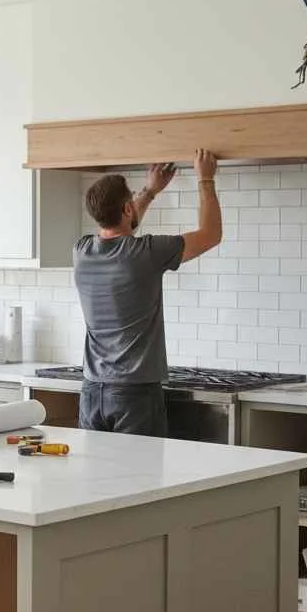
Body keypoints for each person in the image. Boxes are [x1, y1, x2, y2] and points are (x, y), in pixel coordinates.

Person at [71, 149, 222, 439]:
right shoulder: (146, 253)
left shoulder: (82, 250)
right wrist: (205, 179)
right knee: (141, 467)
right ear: (127, 209)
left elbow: (122, 223)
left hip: (91, 391)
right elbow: (210, 234)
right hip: (134, 394)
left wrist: (150, 191)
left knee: (96, 468)